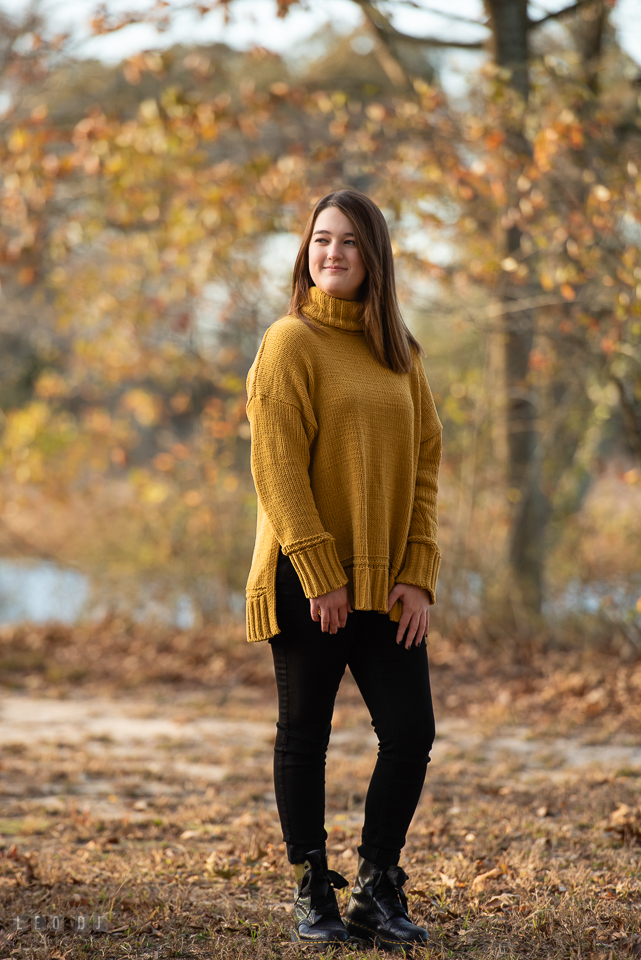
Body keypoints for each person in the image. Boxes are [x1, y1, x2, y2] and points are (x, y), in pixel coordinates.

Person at [245, 189, 442, 949]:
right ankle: (309, 890)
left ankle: (374, 887)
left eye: (349, 243)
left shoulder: (400, 353)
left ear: (374, 258)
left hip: (386, 583)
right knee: (304, 733)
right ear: (305, 252)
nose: (331, 253)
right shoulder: (288, 342)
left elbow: (426, 463)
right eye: (321, 240)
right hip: (308, 578)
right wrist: (319, 570)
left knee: (409, 732)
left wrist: (418, 572)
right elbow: (278, 468)